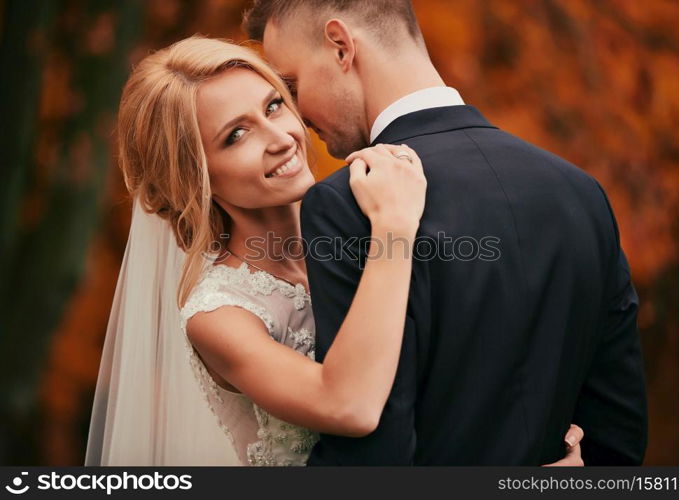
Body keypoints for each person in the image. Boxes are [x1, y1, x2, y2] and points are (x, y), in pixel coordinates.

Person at [86, 36, 583, 466]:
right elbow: (350, 406)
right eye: (236, 135)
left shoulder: (359, 226)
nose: (280, 137)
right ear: (195, 177)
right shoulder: (218, 315)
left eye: (274, 105)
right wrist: (393, 228)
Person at [244, 0, 647, 465]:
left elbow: (373, 458)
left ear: (340, 46)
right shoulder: (581, 192)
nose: (294, 112)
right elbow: (617, 437)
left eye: (291, 85)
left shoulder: (349, 204)